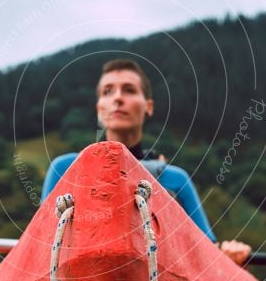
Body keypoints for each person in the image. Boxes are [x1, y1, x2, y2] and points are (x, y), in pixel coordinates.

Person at [95, 59, 252, 266]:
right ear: (99, 109)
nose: (117, 98)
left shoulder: (174, 179)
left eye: (129, 90)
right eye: (107, 91)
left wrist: (232, 255)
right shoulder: (65, 169)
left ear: (148, 107)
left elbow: (210, 256)